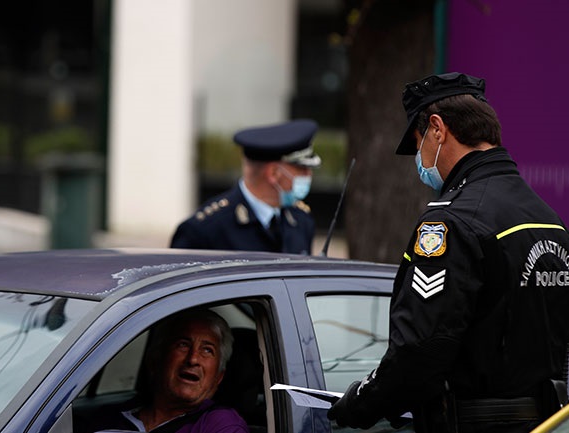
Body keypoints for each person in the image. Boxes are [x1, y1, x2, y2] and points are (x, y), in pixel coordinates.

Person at [327, 72, 569, 433]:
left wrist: (359, 404)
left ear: (437, 130)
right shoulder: (547, 217)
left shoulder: (451, 221)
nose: (419, 159)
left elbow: (420, 350)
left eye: (418, 143)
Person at [78, 308, 249, 433]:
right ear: (155, 360)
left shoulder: (221, 425)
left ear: (218, 377)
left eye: (207, 350)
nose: (193, 359)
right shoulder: (107, 417)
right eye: (183, 345)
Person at [170, 119, 321, 254]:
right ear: (274, 173)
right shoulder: (204, 230)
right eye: (302, 169)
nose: (309, 175)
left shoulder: (301, 220)